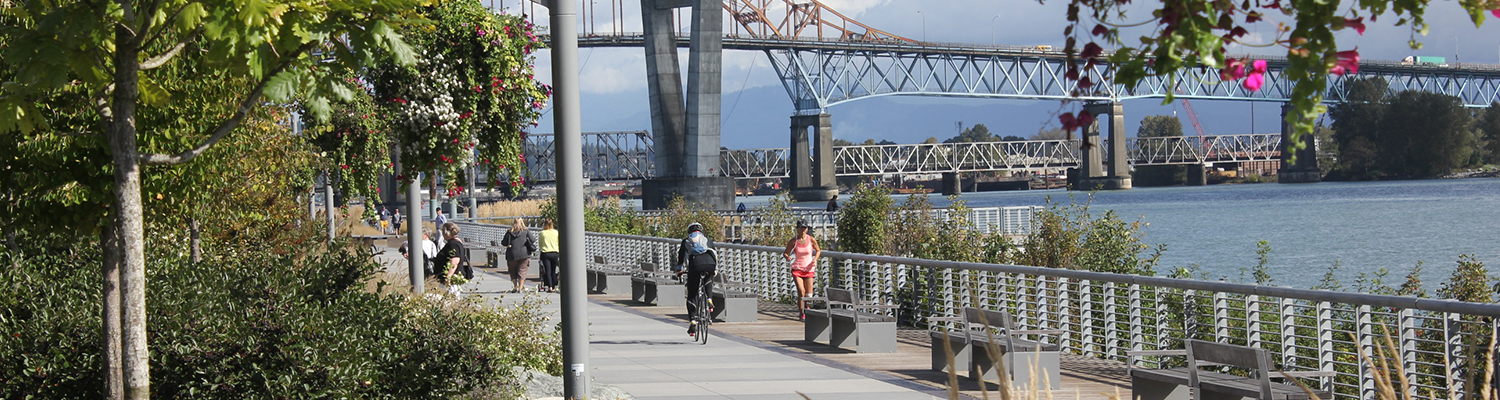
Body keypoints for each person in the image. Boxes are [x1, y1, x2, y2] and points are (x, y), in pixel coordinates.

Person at [675, 222, 717, 336]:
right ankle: (709, 299)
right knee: (708, 279)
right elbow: (714, 253)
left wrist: (679, 270)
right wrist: (715, 269)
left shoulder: (686, 240)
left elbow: (681, 258)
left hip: (695, 265)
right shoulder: (707, 239)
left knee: (692, 293)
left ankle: (693, 320)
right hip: (710, 263)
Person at [782, 219, 821, 320]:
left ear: (807, 229)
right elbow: (785, 252)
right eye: (801, 228)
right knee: (801, 291)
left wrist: (815, 259)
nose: (803, 230)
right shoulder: (793, 241)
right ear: (797, 229)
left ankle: (806, 306)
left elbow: (818, 250)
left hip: (809, 268)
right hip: (797, 268)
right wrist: (787, 257)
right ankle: (801, 312)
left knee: (809, 294)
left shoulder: (811, 239)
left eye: (805, 228)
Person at [502, 218, 537, 293]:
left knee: (512, 271)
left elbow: (504, 243)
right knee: (522, 270)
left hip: (512, 254)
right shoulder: (526, 231)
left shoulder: (509, 232)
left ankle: (515, 286)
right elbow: (533, 240)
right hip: (524, 254)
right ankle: (520, 288)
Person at [435, 222, 468, 290]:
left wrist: (448, 276)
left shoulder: (452, 244)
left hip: (450, 279)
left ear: (447, 233)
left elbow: (454, 261)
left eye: (443, 233)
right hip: (451, 277)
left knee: (449, 296)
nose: (443, 235)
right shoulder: (456, 242)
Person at [537, 219, 561, 293]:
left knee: (547, 270)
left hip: (545, 253)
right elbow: (559, 242)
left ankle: (550, 286)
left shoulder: (542, 233)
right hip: (555, 253)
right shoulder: (556, 232)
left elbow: (540, 245)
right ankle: (553, 286)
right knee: (553, 270)